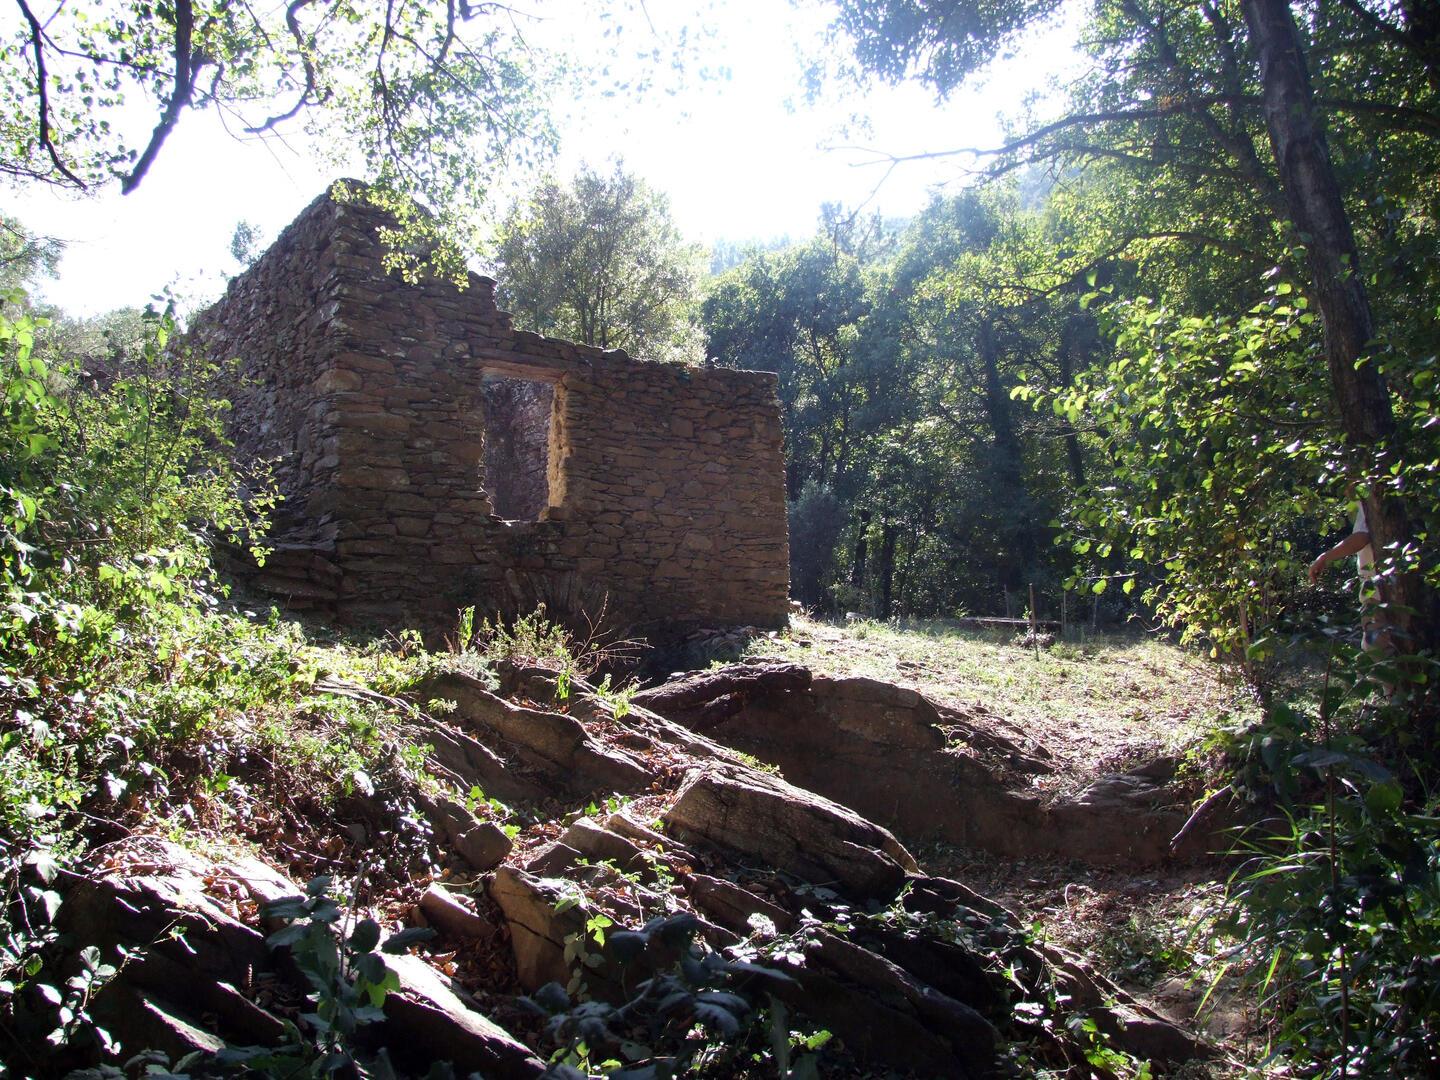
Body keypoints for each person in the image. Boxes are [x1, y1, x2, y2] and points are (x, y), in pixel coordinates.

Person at [1309, 502, 1384, 652]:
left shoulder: (1371, 498)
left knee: (1378, 657)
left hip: (1378, 593)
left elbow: (1362, 537)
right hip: (1391, 588)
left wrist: (1324, 558)